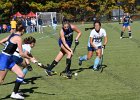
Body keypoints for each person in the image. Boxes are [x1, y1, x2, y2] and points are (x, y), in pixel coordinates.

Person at [0, 24, 33, 99]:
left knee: (21, 74)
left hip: (10, 58)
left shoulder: (12, 35)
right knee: (1, 81)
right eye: (24, 30)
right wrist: (30, 58)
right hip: (4, 58)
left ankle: (14, 93)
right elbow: (21, 53)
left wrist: (8, 48)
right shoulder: (19, 38)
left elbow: (1, 42)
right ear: (23, 30)